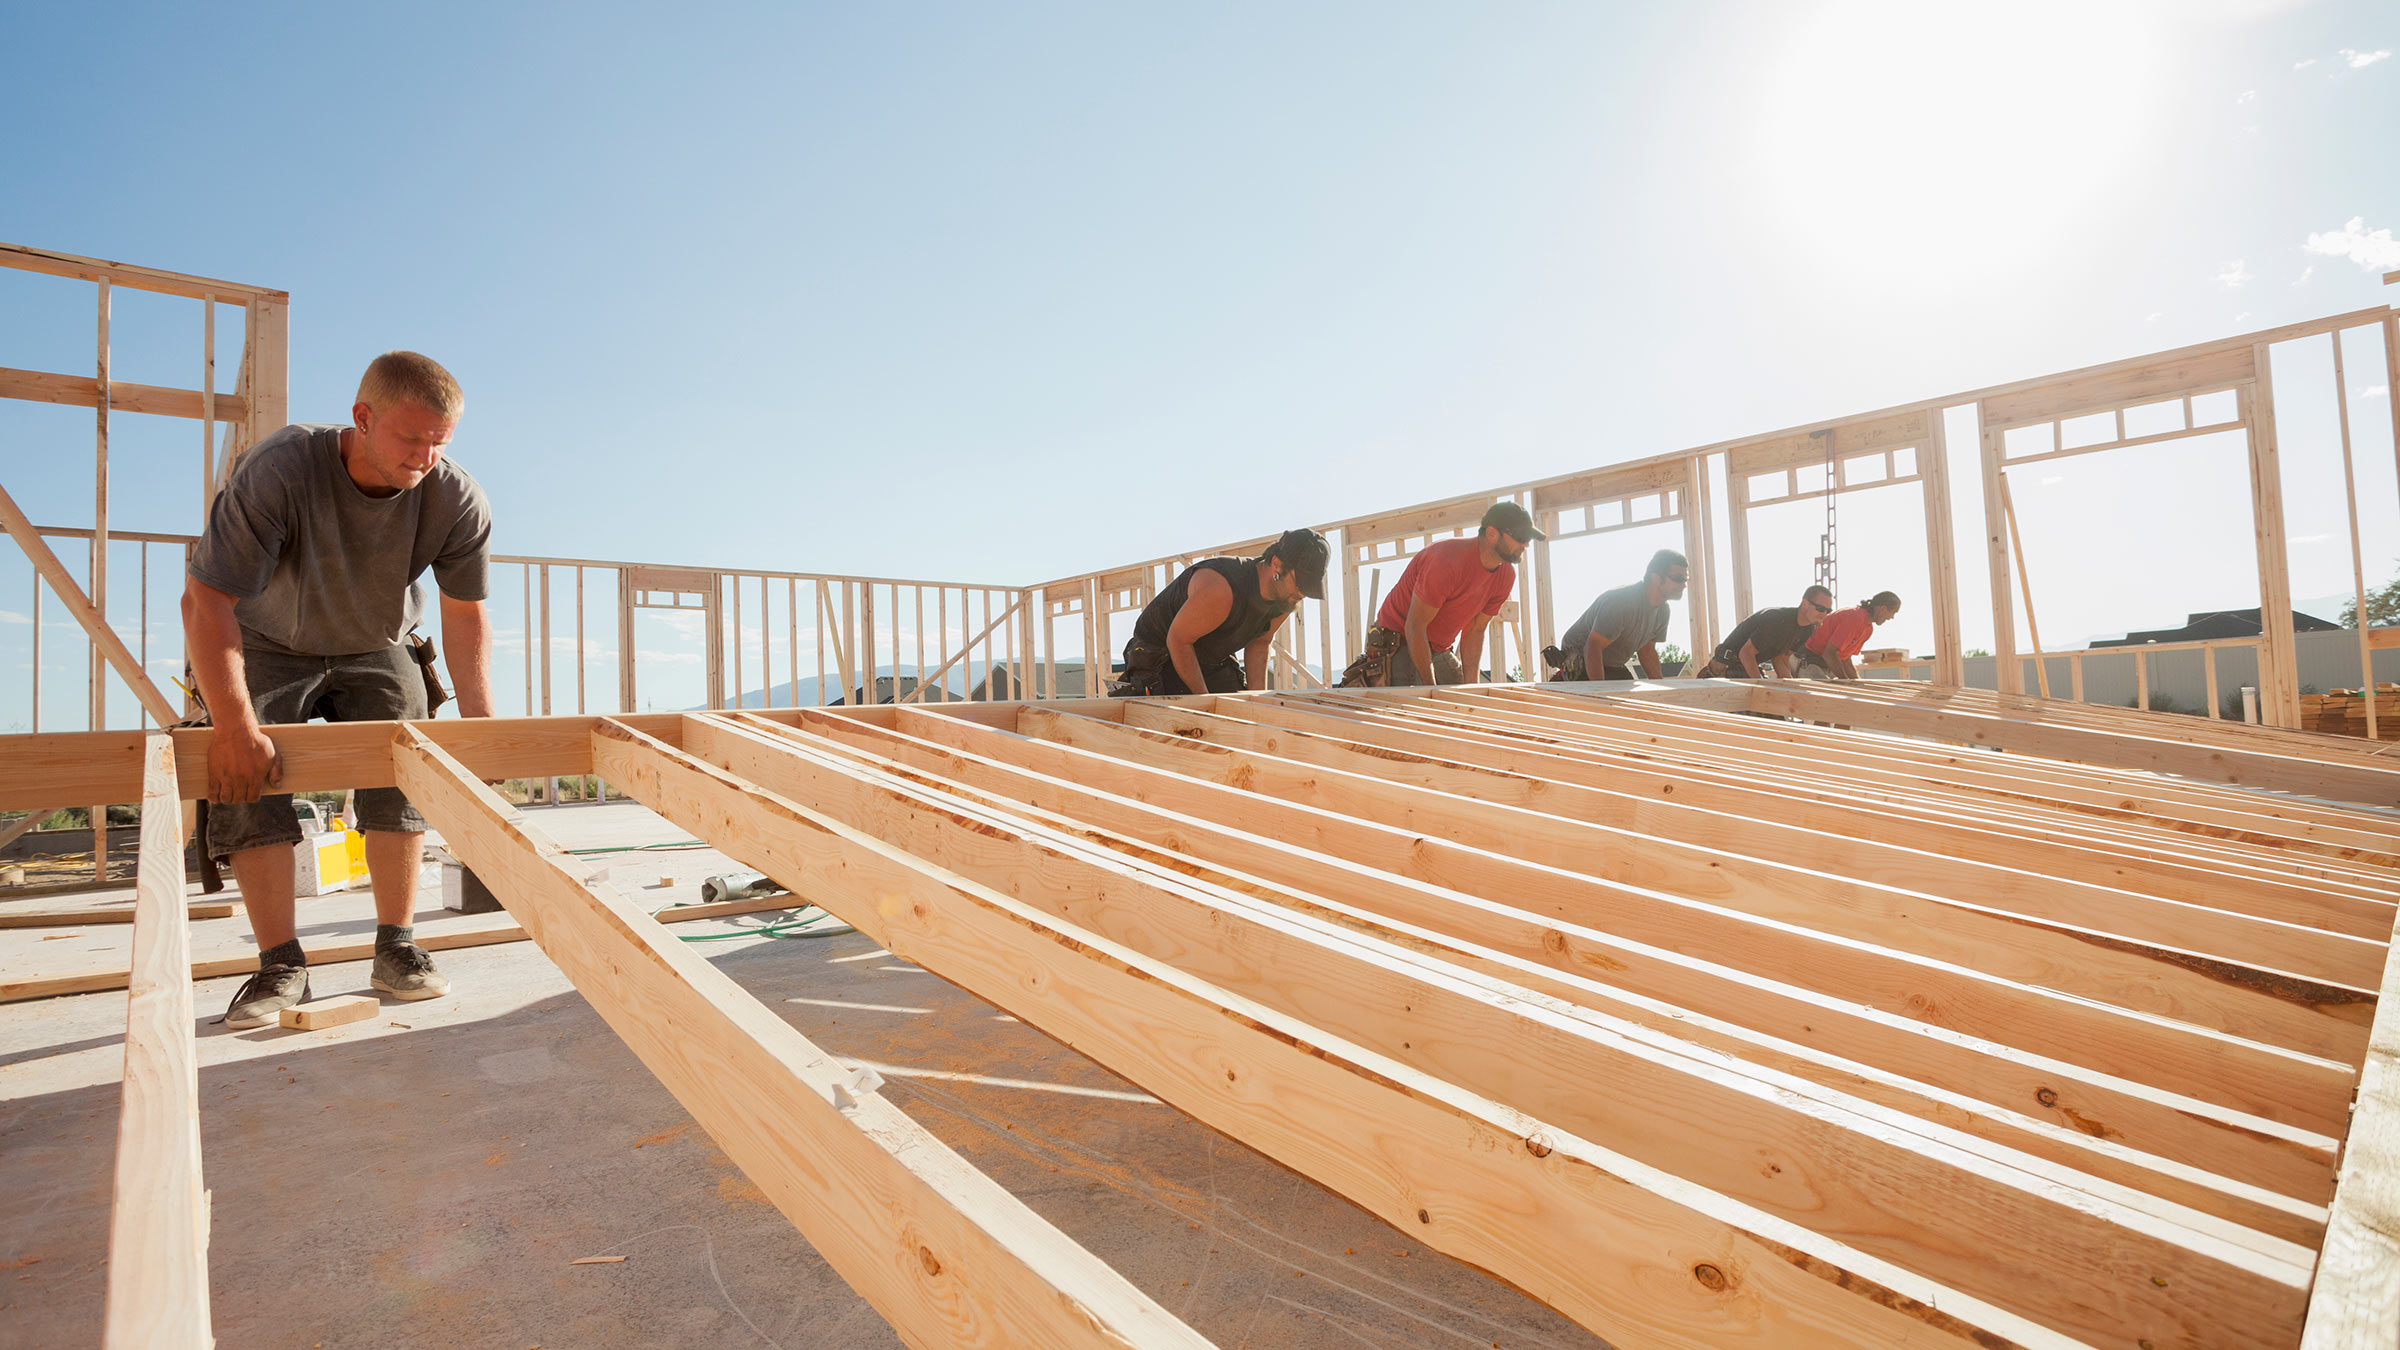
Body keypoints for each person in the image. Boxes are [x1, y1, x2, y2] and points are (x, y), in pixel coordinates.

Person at [184, 351, 495, 1029]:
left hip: (377, 642)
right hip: (264, 639)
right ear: (362, 418)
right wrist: (235, 728)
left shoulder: (453, 496)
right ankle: (279, 964)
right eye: (412, 439)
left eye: (440, 442)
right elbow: (205, 599)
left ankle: (398, 946)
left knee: (405, 763)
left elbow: (465, 613)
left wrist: (482, 732)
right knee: (245, 772)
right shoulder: (282, 470)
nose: (426, 457)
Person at [1337, 502, 1540, 687]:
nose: (1526, 545)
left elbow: (1476, 630)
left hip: (1438, 647)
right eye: (1521, 537)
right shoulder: (1445, 561)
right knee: (1417, 709)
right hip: (1399, 643)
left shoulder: (1505, 576)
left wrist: (1472, 687)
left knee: (1461, 701)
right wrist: (1430, 689)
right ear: (1493, 534)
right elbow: (1415, 627)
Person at [1111, 529, 1329, 695]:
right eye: (1300, 582)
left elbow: (1260, 643)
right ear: (1276, 565)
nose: (1302, 593)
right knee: (1191, 726)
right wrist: (1206, 703)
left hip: (1210, 657)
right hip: (1159, 656)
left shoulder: (1287, 596)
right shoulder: (1222, 588)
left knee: (1240, 716)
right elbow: (1178, 640)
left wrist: (1257, 702)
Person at [1547, 549, 1689, 681]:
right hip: (1581, 660)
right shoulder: (1622, 603)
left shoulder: (1662, 611)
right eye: (1678, 579)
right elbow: (1593, 646)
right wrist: (1601, 693)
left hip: (1612, 664)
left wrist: (1661, 692)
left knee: (1632, 704)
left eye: (1685, 579)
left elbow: (1646, 651)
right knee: (1603, 703)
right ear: (1656, 578)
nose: (1684, 585)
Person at [1693, 585, 1833, 678]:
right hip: (1726, 667)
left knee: (1773, 713)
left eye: (1828, 610)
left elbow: (1781, 659)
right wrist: (1761, 687)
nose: (1824, 614)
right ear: (1805, 603)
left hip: (1745, 666)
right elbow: (1746, 653)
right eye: (1820, 608)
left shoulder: (1808, 629)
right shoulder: (1777, 620)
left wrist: (1791, 687)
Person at [1793, 590, 1903, 680]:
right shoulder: (1854, 618)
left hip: (1825, 665)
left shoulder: (1868, 629)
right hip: (1808, 660)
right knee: (1827, 700)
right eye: (1893, 612)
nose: (1891, 618)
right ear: (1883, 609)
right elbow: (1829, 654)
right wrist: (1846, 680)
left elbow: (1845, 659)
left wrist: (1858, 683)